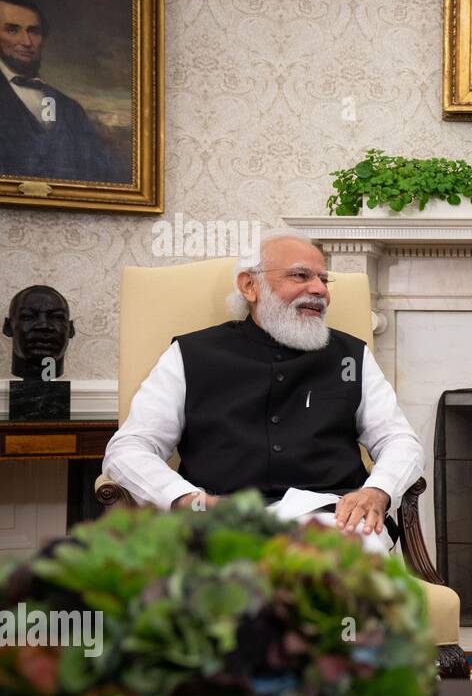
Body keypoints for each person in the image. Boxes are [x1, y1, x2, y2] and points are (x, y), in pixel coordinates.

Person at [103, 232, 424, 545]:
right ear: (249, 286)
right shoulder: (190, 355)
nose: (319, 290)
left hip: (334, 520)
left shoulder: (351, 356)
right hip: (222, 521)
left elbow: (398, 440)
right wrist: (186, 499)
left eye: (324, 280)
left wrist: (377, 490)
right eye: (300, 275)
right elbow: (129, 449)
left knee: (330, 579)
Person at [0, 0, 127, 183]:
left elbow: (102, 176)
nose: (27, 42)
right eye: (12, 30)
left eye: (34, 31)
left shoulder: (71, 109)